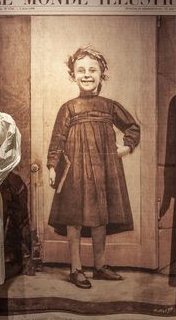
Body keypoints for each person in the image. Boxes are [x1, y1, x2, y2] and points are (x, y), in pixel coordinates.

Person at [46, 46, 140, 289]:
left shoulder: (110, 106)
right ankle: (75, 268)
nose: (86, 75)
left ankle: (99, 266)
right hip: (75, 170)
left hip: (104, 168)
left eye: (92, 70)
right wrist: (52, 167)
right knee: (74, 219)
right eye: (80, 70)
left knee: (100, 218)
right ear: (73, 75)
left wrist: (127, 147)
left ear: (102, 74)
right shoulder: (68, 107)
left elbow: (132, 127)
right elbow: (57, 140)